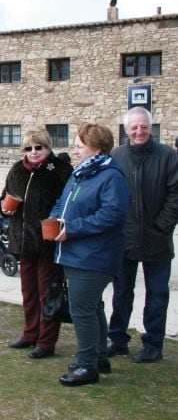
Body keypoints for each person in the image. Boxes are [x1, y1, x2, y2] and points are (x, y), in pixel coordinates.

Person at [51, 122, 130, 386]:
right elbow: (63, 202)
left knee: (82, 309)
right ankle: (98, 358)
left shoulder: (110, 176)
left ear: (96, 147)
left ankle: (87, 366)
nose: (74, 150)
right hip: (75, 252)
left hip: (95, 256)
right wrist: (54, 219)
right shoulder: (81, 173)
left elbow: (112, 214)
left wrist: (72, 228)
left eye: (78, 146)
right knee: (93, 307)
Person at [107, 107, 178, 363]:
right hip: (124, 238)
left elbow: (175, 195)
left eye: (144, 127)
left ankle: (153, 344)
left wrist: (162, 226)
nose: (139, 131)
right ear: (126, 130)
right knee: (121, 291)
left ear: (151, 127)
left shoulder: (168, 156)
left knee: (157, 294)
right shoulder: (117, 155)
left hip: (157, 238)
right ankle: (117, 339)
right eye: (134, 127)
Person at [1, 128, 73, 359]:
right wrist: (4, 207)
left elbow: (68, 204)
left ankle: (46, 341)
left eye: (38, 147)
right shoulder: (17, 170)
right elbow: (6, 195)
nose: (33, 152)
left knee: (48, 293)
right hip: (23, 242)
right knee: (28, 291)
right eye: (28, 148)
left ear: (48, 147)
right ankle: (30, 333)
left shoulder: (61, 171)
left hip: (48, 243)